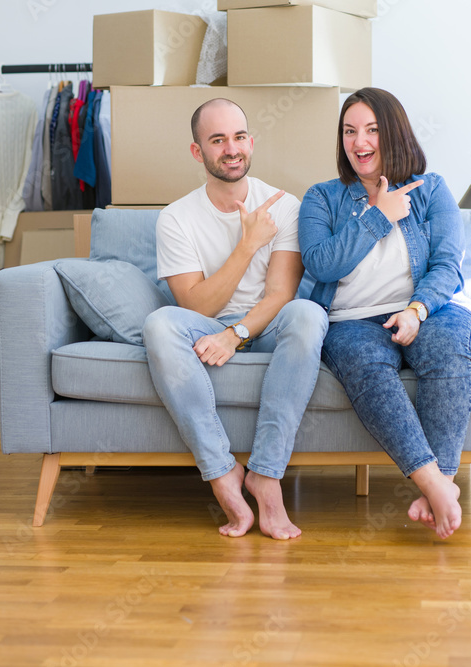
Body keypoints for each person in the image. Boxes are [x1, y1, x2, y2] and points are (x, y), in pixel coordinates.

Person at [298, 88, 471, 540]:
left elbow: (448, 265)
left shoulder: (432, 190)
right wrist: (377, 216)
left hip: (430, 308)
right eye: (349, 131)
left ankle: (440, 482)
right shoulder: (322, 198)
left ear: (394, 134)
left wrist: (417, 309)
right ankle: (437, 486)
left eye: (371, 130)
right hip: (352, 319)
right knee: (364, 364)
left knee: (447, 345)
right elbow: (322, 263)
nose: (358, 141)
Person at [143, 98, 327, 540]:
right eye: (218, 139)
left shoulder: (285, 205)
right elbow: (195, 307)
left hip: (267, 325)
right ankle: (222, 473)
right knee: (160, 324)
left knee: (308, 312)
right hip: (207, 326)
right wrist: (247, 245)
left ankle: (264, 475)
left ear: (251, 140)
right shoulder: (175, 218)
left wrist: (236, 334)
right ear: (197, 151)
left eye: (239, 137)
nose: (231, 149)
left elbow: (281, 294)